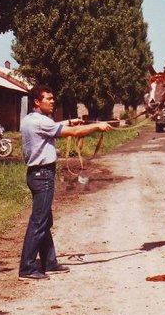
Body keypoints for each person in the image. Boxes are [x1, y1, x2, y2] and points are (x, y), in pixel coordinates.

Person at [18, 84, 112, 280]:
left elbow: (51, 127)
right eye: (48, 98)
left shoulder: (29, 119)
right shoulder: (42, 122)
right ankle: (27, 268)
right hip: (43, 175)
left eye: (53, 98)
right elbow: (74, 133)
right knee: (39, 221)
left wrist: (69, 121)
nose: (53, 101)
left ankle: (49, 262)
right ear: (37, 101)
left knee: (44, 219)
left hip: (36, 174)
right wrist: (97, 126)